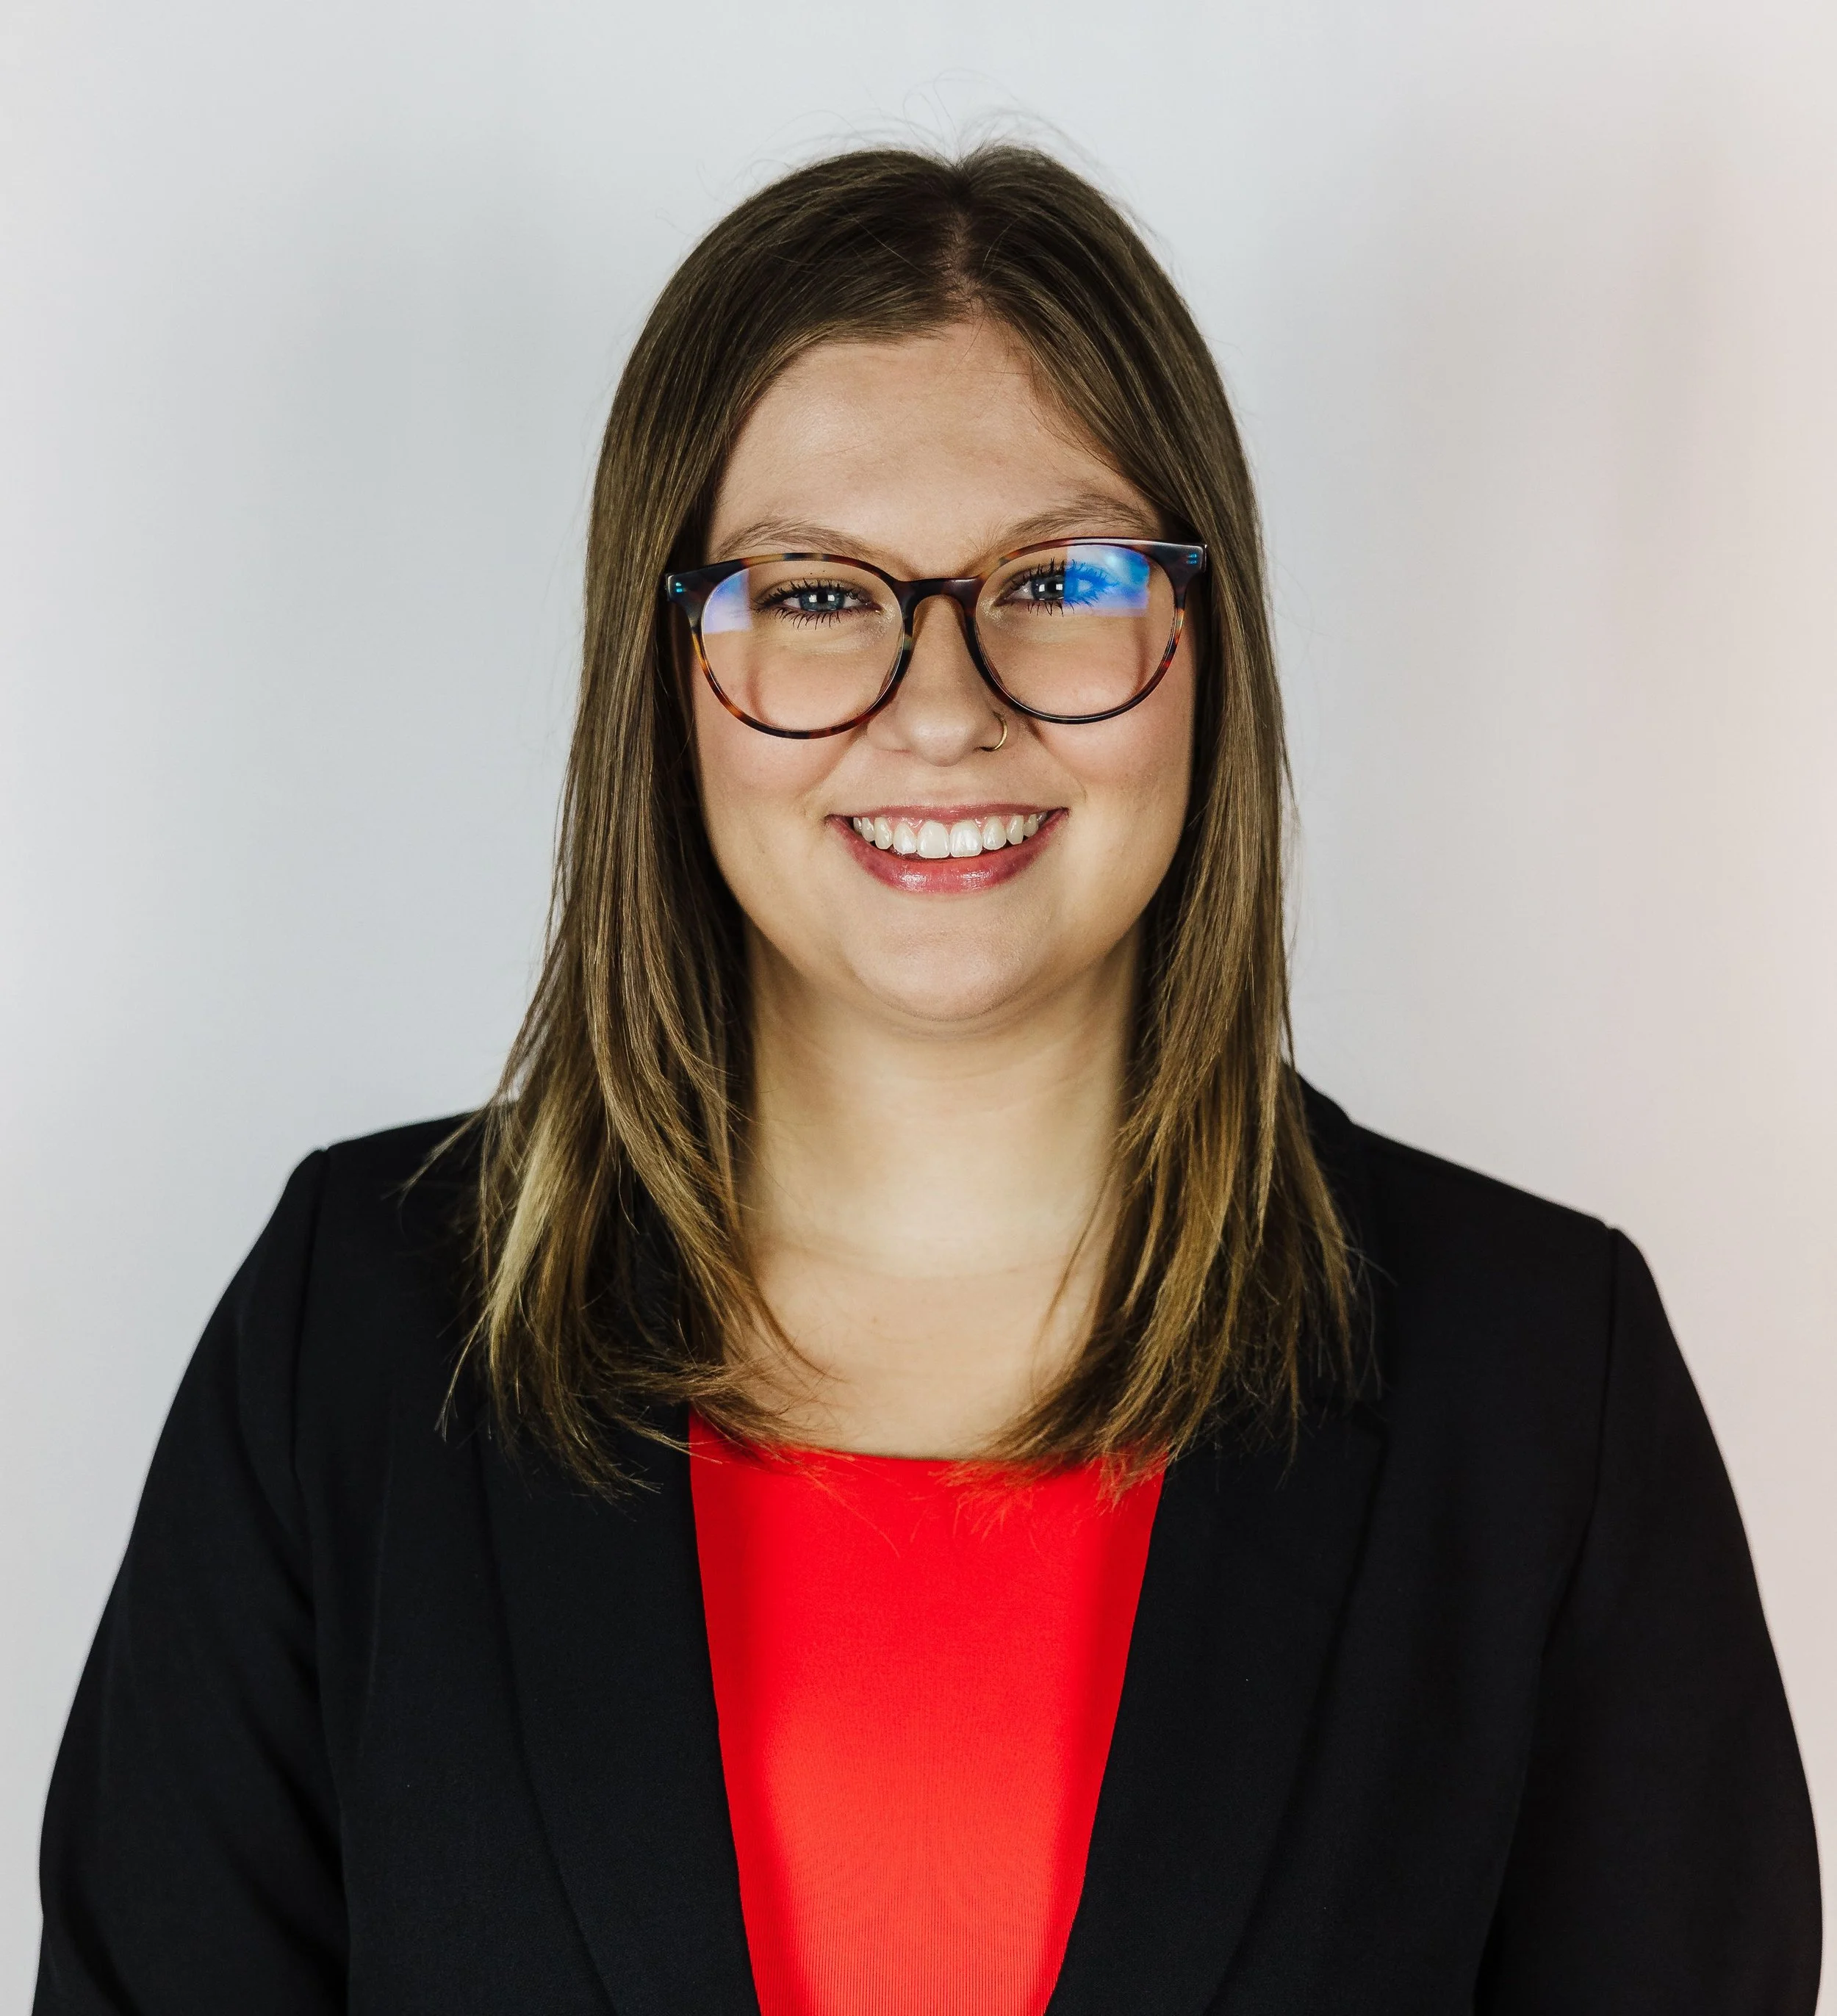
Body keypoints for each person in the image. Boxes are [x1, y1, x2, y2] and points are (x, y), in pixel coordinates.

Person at [33, 144, 1820, 2016]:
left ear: (1204, 645)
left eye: (1057, 577)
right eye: (814, 597)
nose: (945, 706)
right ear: (664, 673)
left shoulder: (1537, 1381)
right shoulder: (352, 1335)